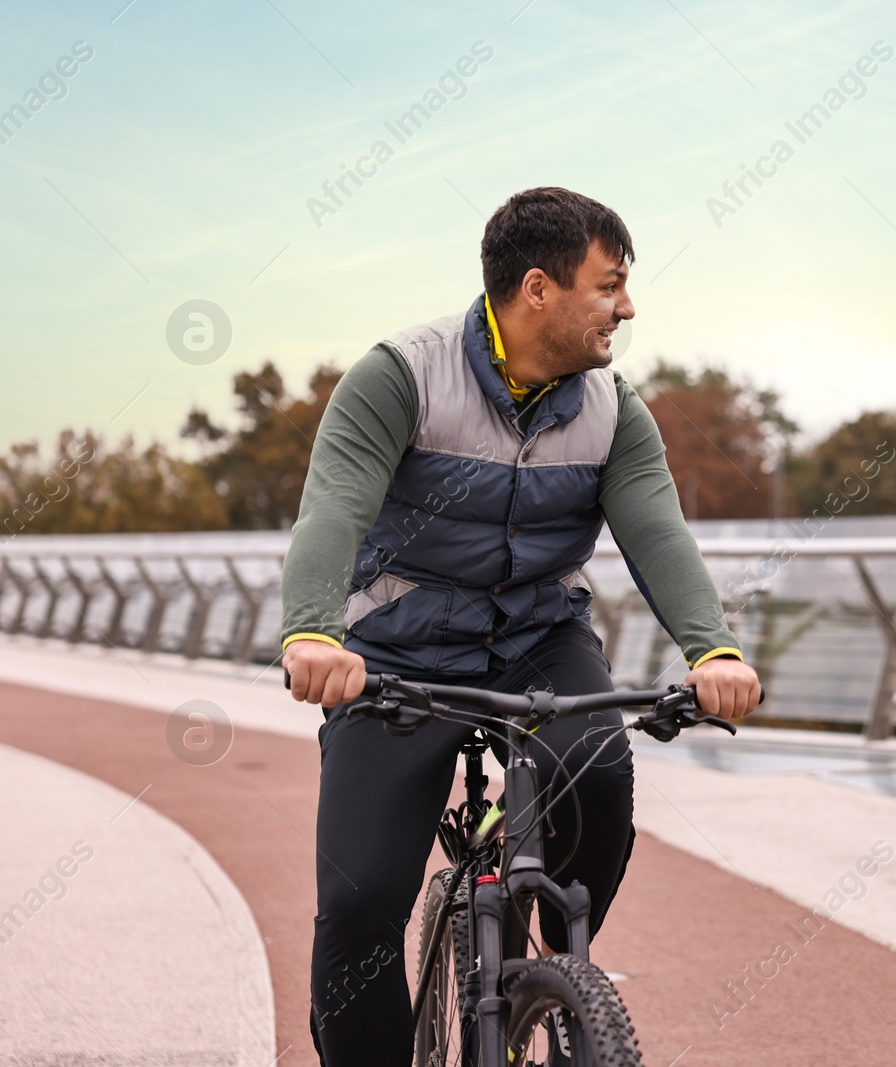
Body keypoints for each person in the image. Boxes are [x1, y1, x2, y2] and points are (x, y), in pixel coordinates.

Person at [279, 187, 762, 1066]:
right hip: (399, 653)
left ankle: (549, 972)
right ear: (538, 289)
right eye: (609, 284)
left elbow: (657, 532)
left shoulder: (614, 408)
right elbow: (334, 509)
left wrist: (712, 647)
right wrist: (314, 633)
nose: (627, 306)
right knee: (357, 906)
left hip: (540, 639)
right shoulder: (401, 375)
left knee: (601, 769)